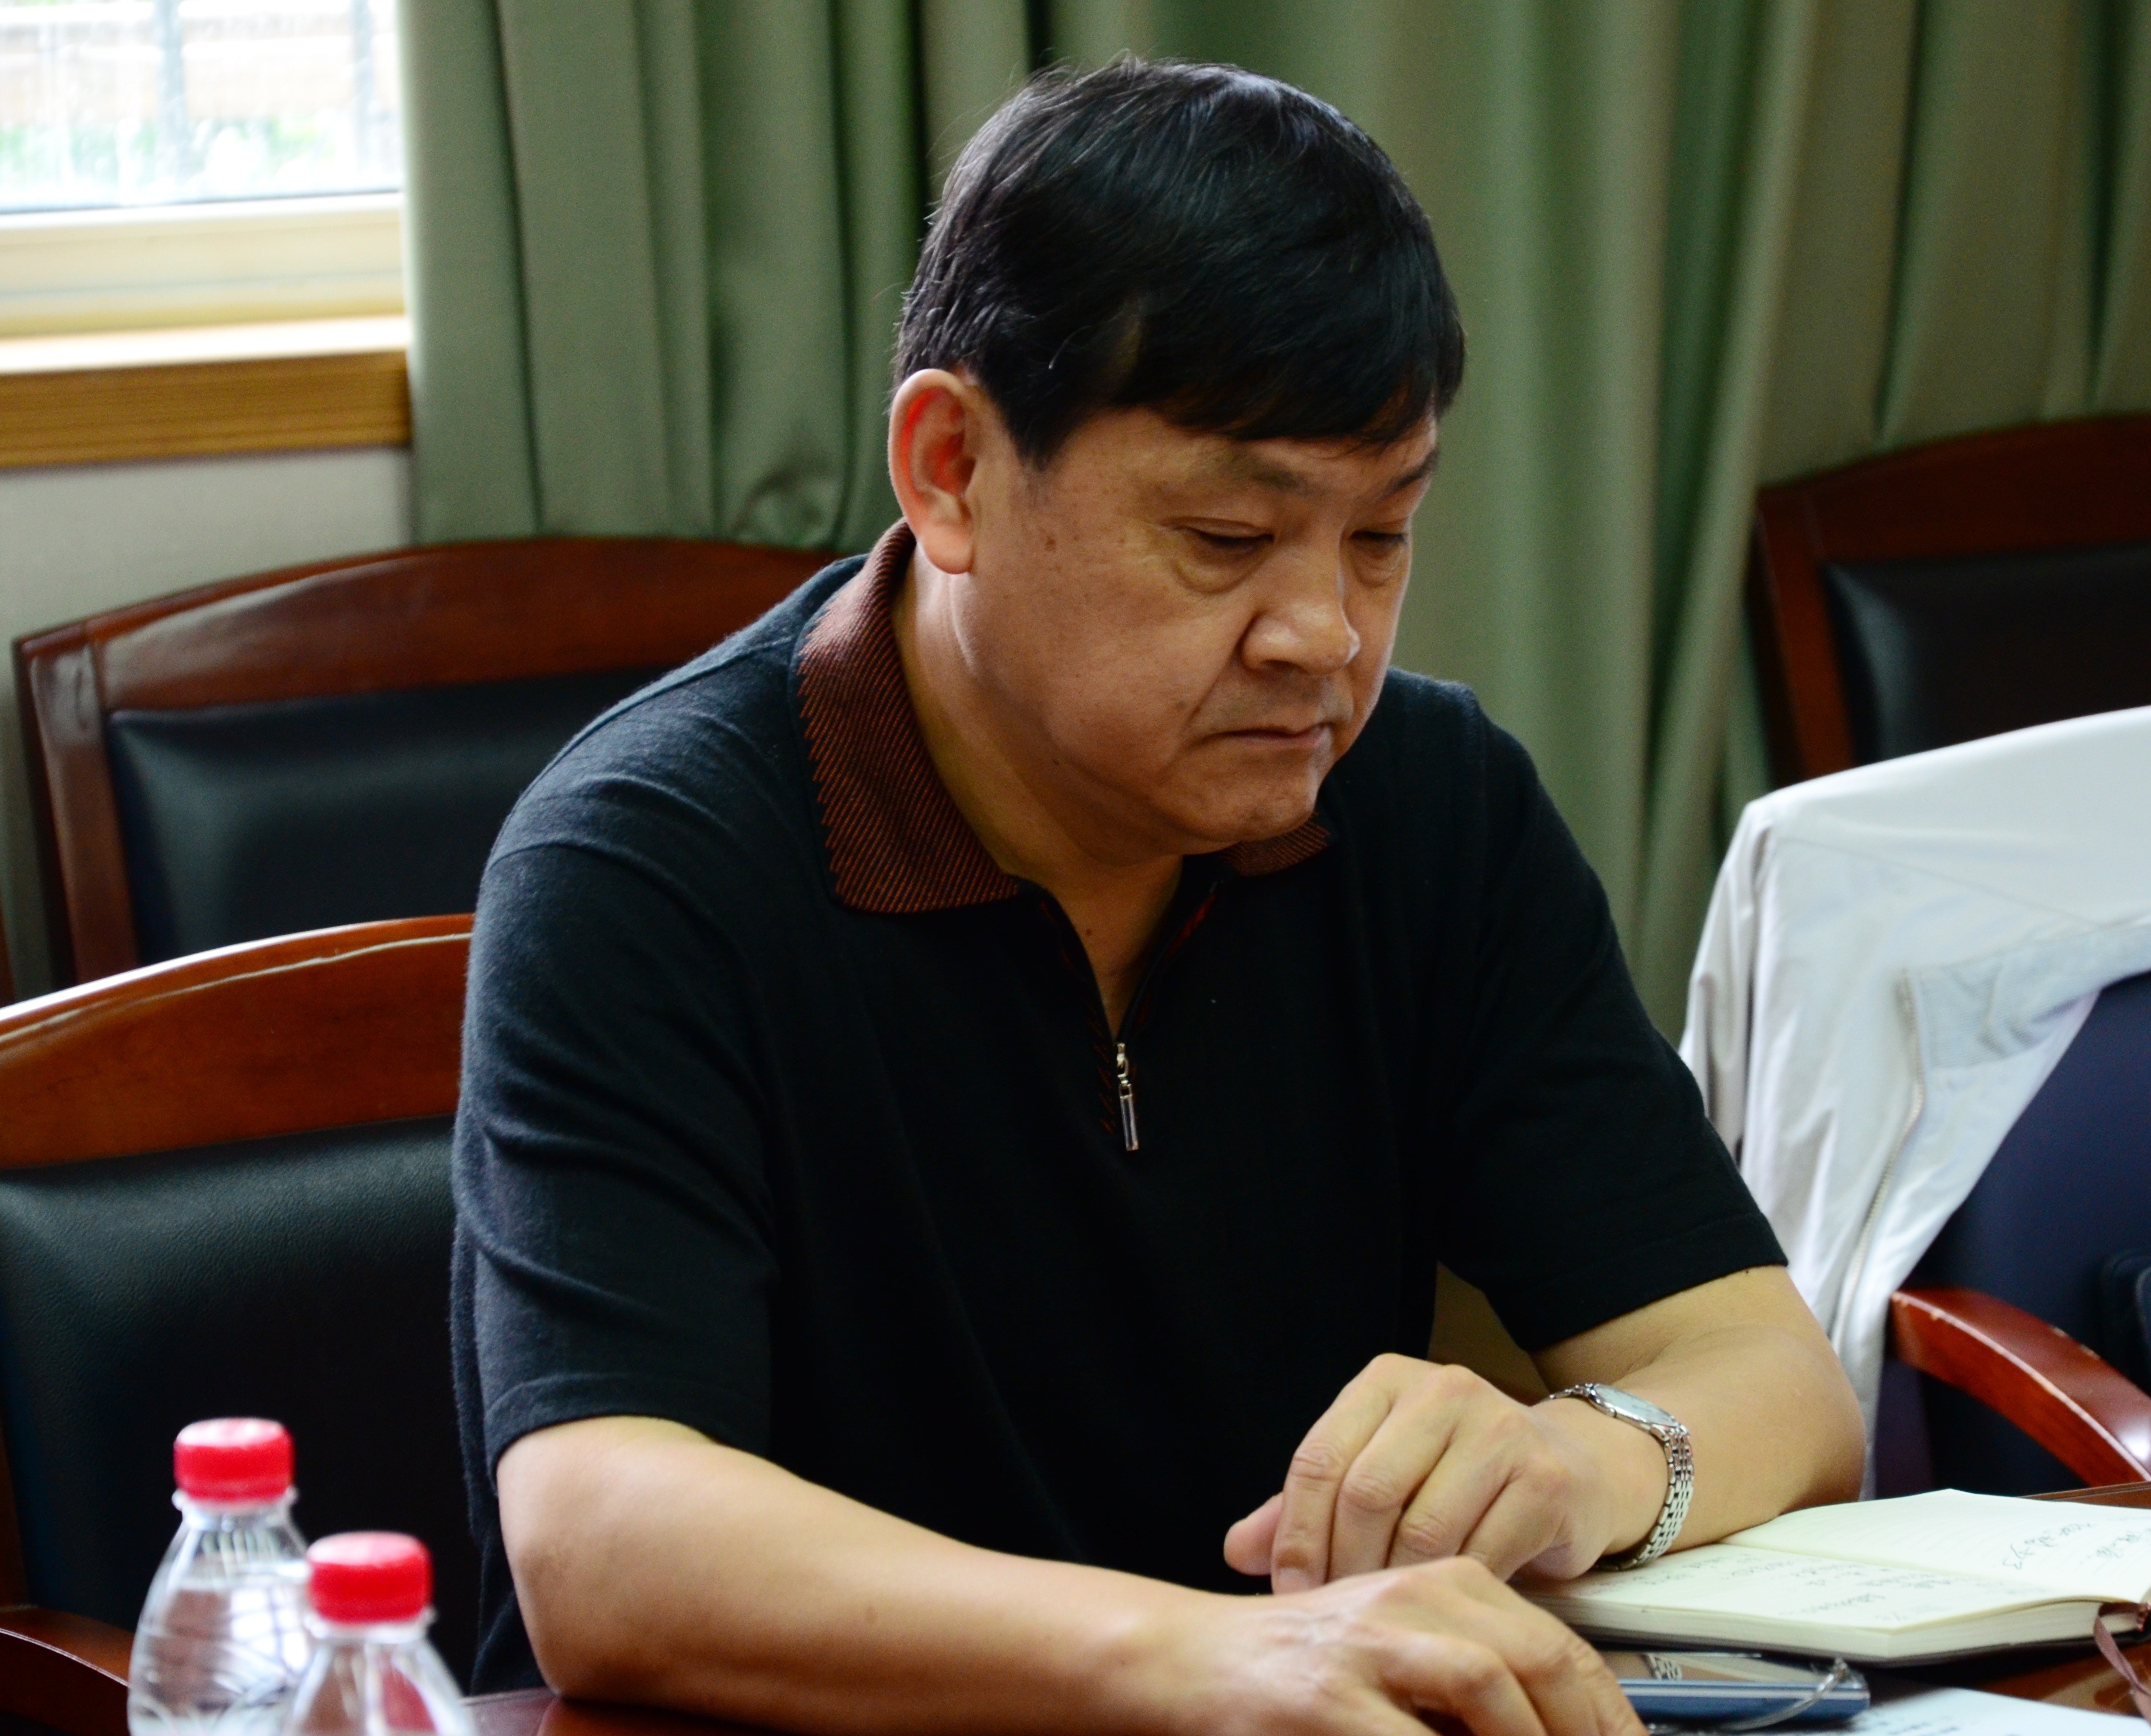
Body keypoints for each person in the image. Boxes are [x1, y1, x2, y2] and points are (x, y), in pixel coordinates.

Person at [451, 58, 1864, 1736]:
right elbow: (603, 1537)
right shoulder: (648, 861)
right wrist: (1200, 1658)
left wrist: (1580, 1460)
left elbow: (1778, 1383)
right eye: (1223, 538)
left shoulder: (1429, 805)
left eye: (1380, 538)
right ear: (951, 471)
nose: (1321, 637)